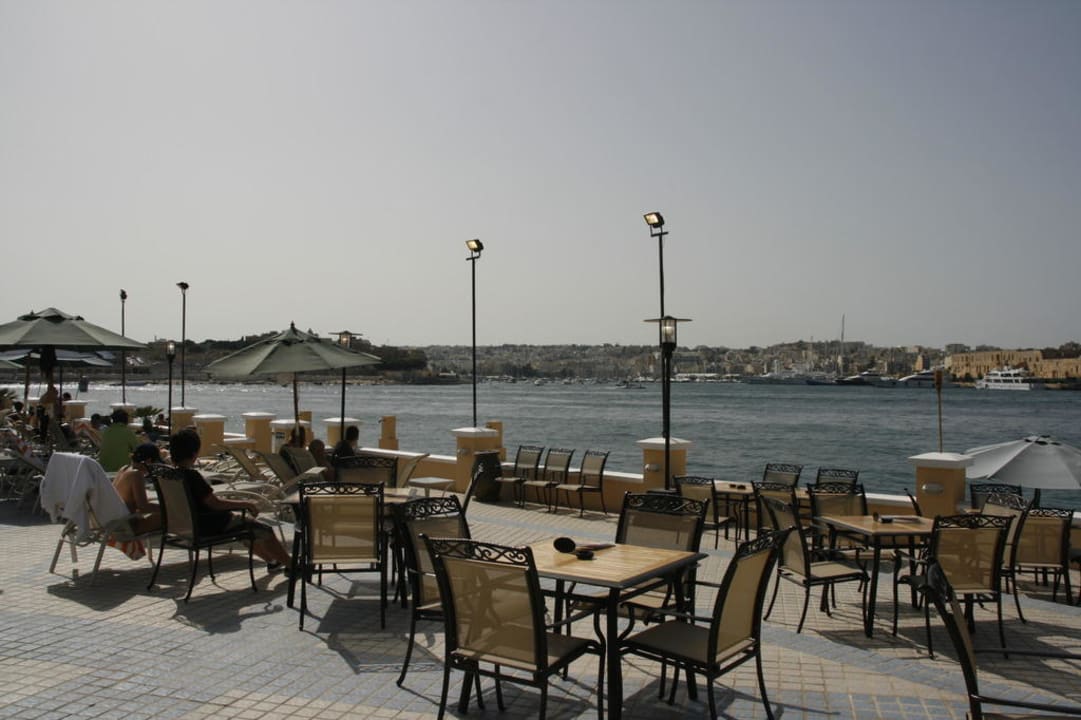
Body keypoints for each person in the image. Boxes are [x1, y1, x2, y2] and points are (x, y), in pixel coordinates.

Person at [169, 428, 290, 572]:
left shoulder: (169, 475)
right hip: (209, 525)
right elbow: (215, 504)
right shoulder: (192, 476)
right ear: (195, 453)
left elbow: (206, 500)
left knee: (245, 527)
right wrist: (247, 504)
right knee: (264, 529)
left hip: (187, 525)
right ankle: (293, 566)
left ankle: (272, 561)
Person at [112, 443, 163, 534]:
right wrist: (167, 508)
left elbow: (131, 500)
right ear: (149, 461)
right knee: (172, 517)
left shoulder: (124, 469)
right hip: (129, 526)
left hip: (116, 523)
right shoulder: (136, 474)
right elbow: (143, 507)